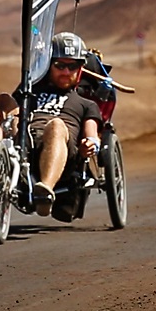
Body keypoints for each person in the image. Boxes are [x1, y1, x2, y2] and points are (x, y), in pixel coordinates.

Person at [26, 31, 102, 217]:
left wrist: (91, 144)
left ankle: (45, 191)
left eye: (73, 66)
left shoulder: (86, 103)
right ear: (49, 65)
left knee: (56, 126)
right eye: (59, 65)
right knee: (5, 102)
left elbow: (92, 134)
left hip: (63, 150)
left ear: (81, 69)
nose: (66, 72)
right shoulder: (31, 93)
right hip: (25, 144)